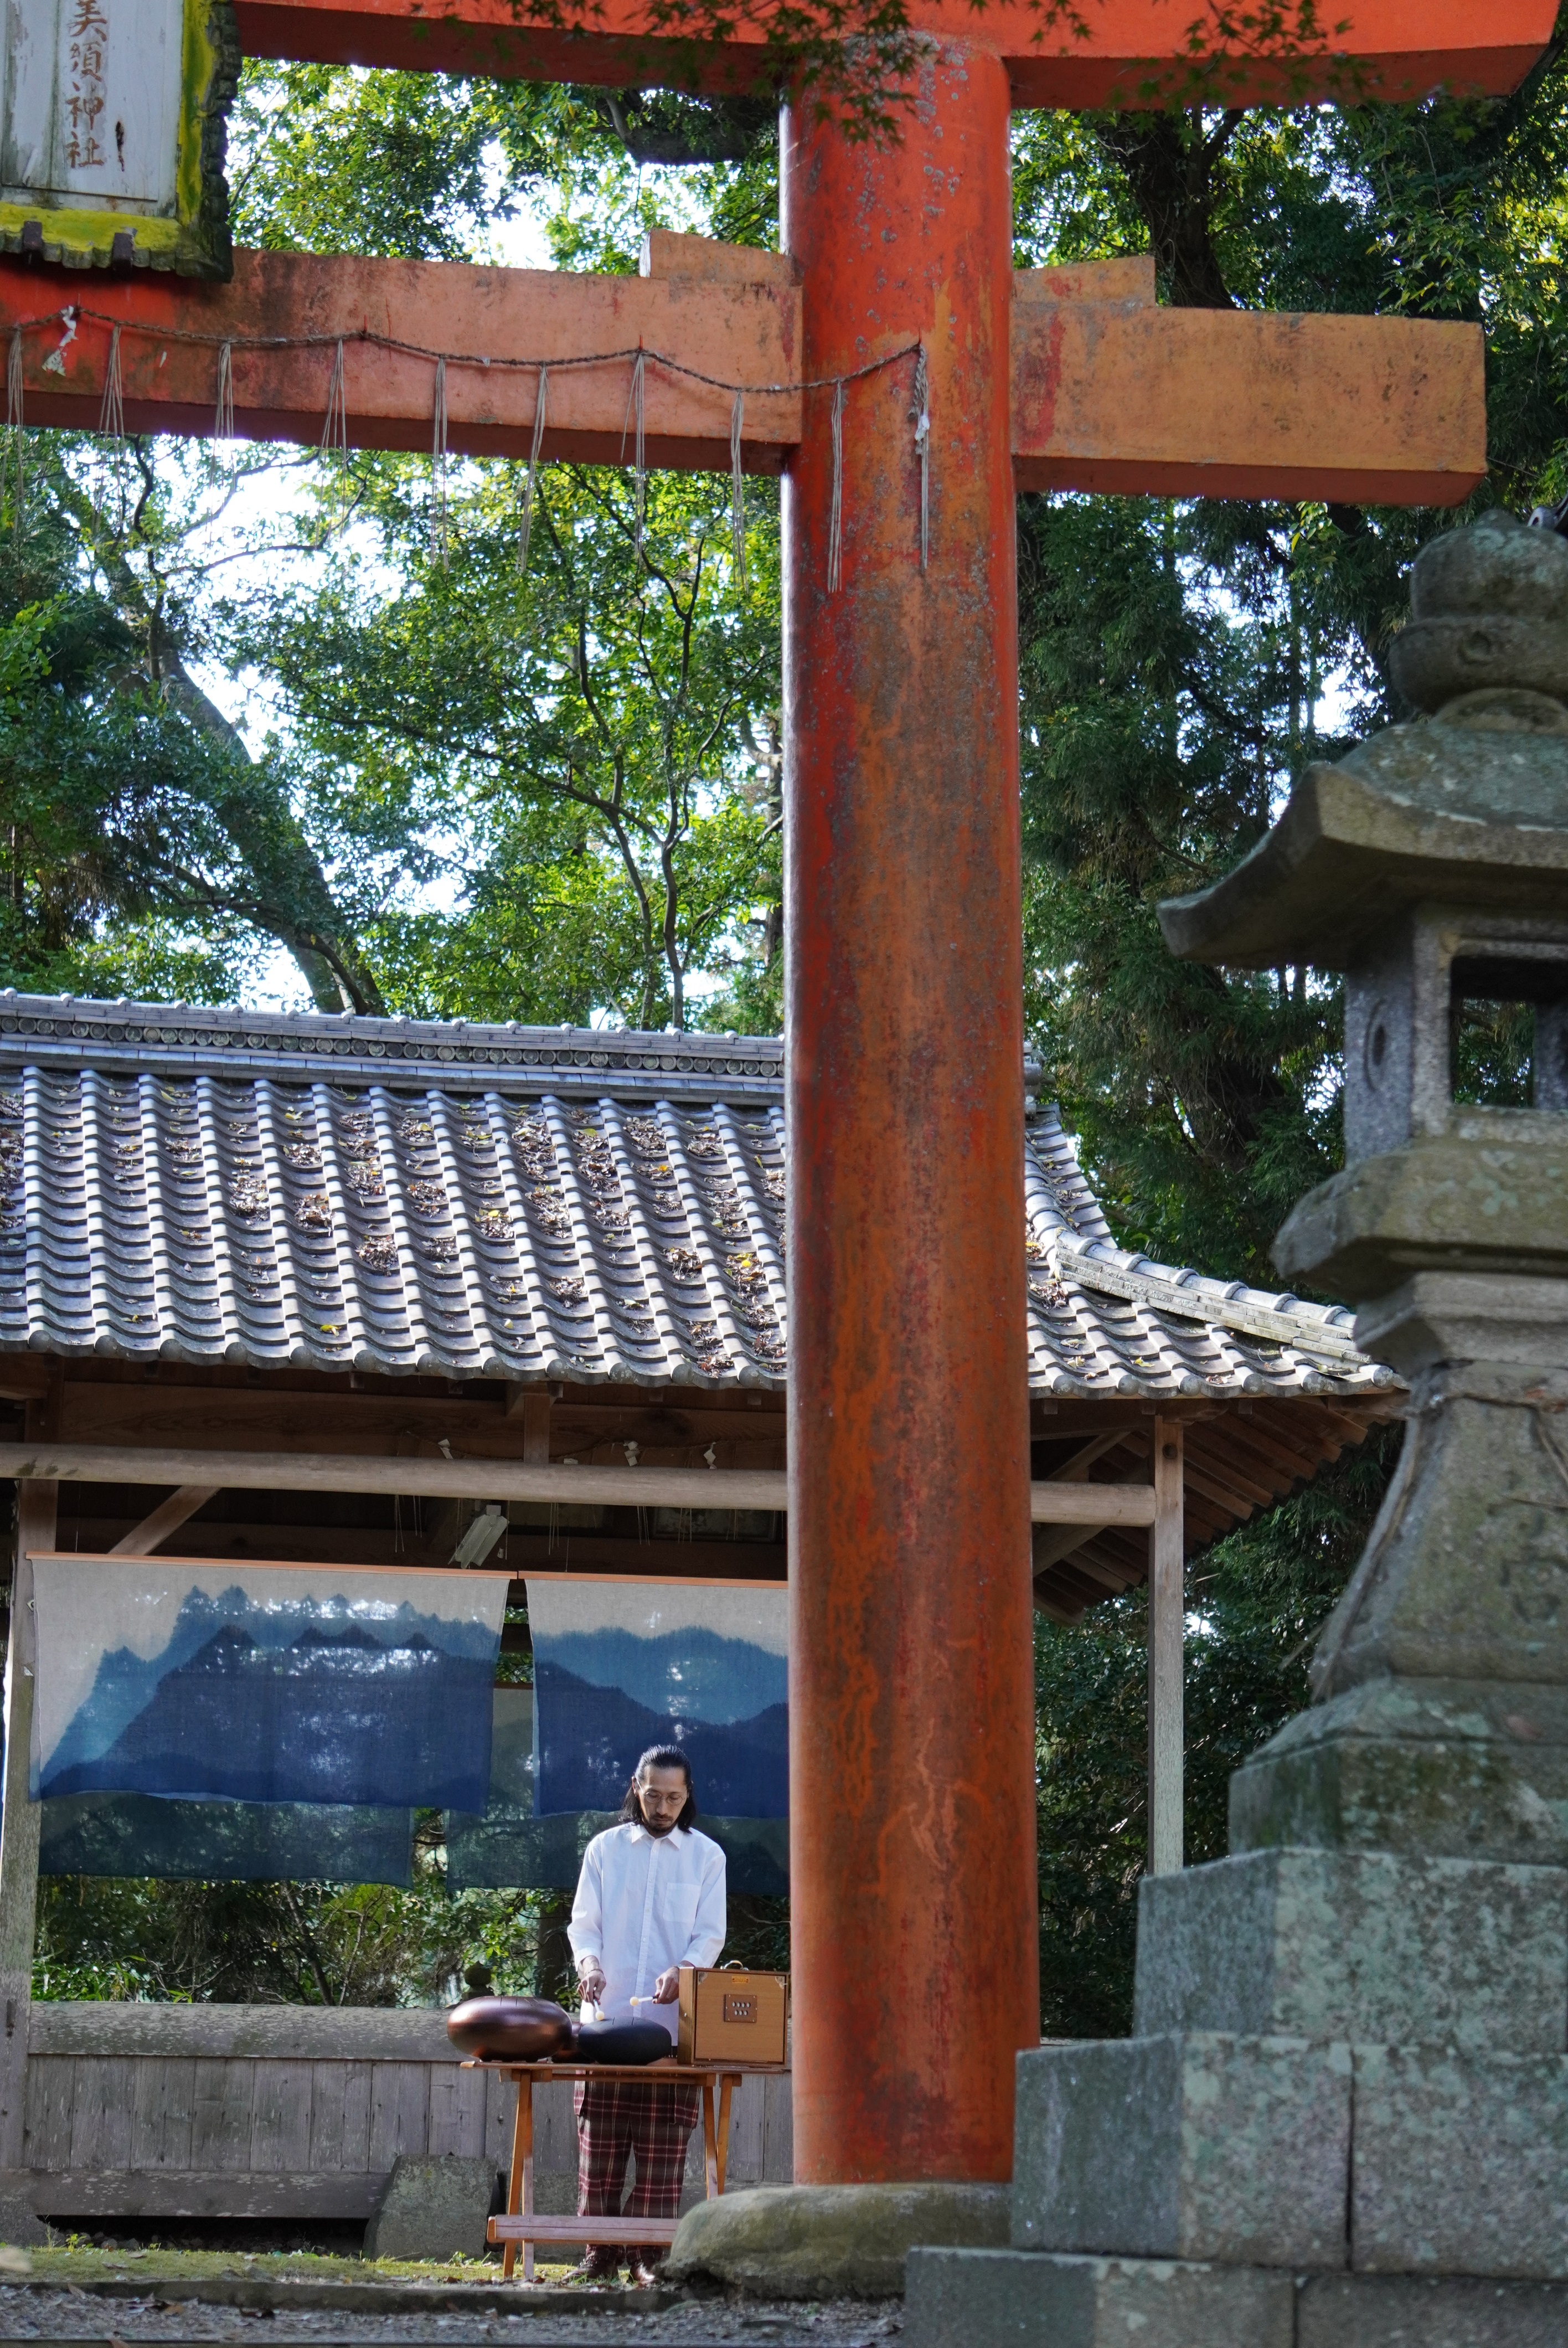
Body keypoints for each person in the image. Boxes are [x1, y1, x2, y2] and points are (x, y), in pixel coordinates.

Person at [566, 1743, 726, 2285]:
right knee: (601, 2154)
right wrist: (588, 1964)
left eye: (674, 1798)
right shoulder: (605, 1850)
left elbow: (709, 1934)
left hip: (670, 2033)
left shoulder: (707, 1857)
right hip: (605, 2026)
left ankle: (649, 2258)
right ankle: (597, 2256)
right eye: (654, 1794)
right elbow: (584, 1925)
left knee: (661, 2159)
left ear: (688, 1796)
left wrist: (685, 1969)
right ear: (637, 1786)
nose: (662, 1807)